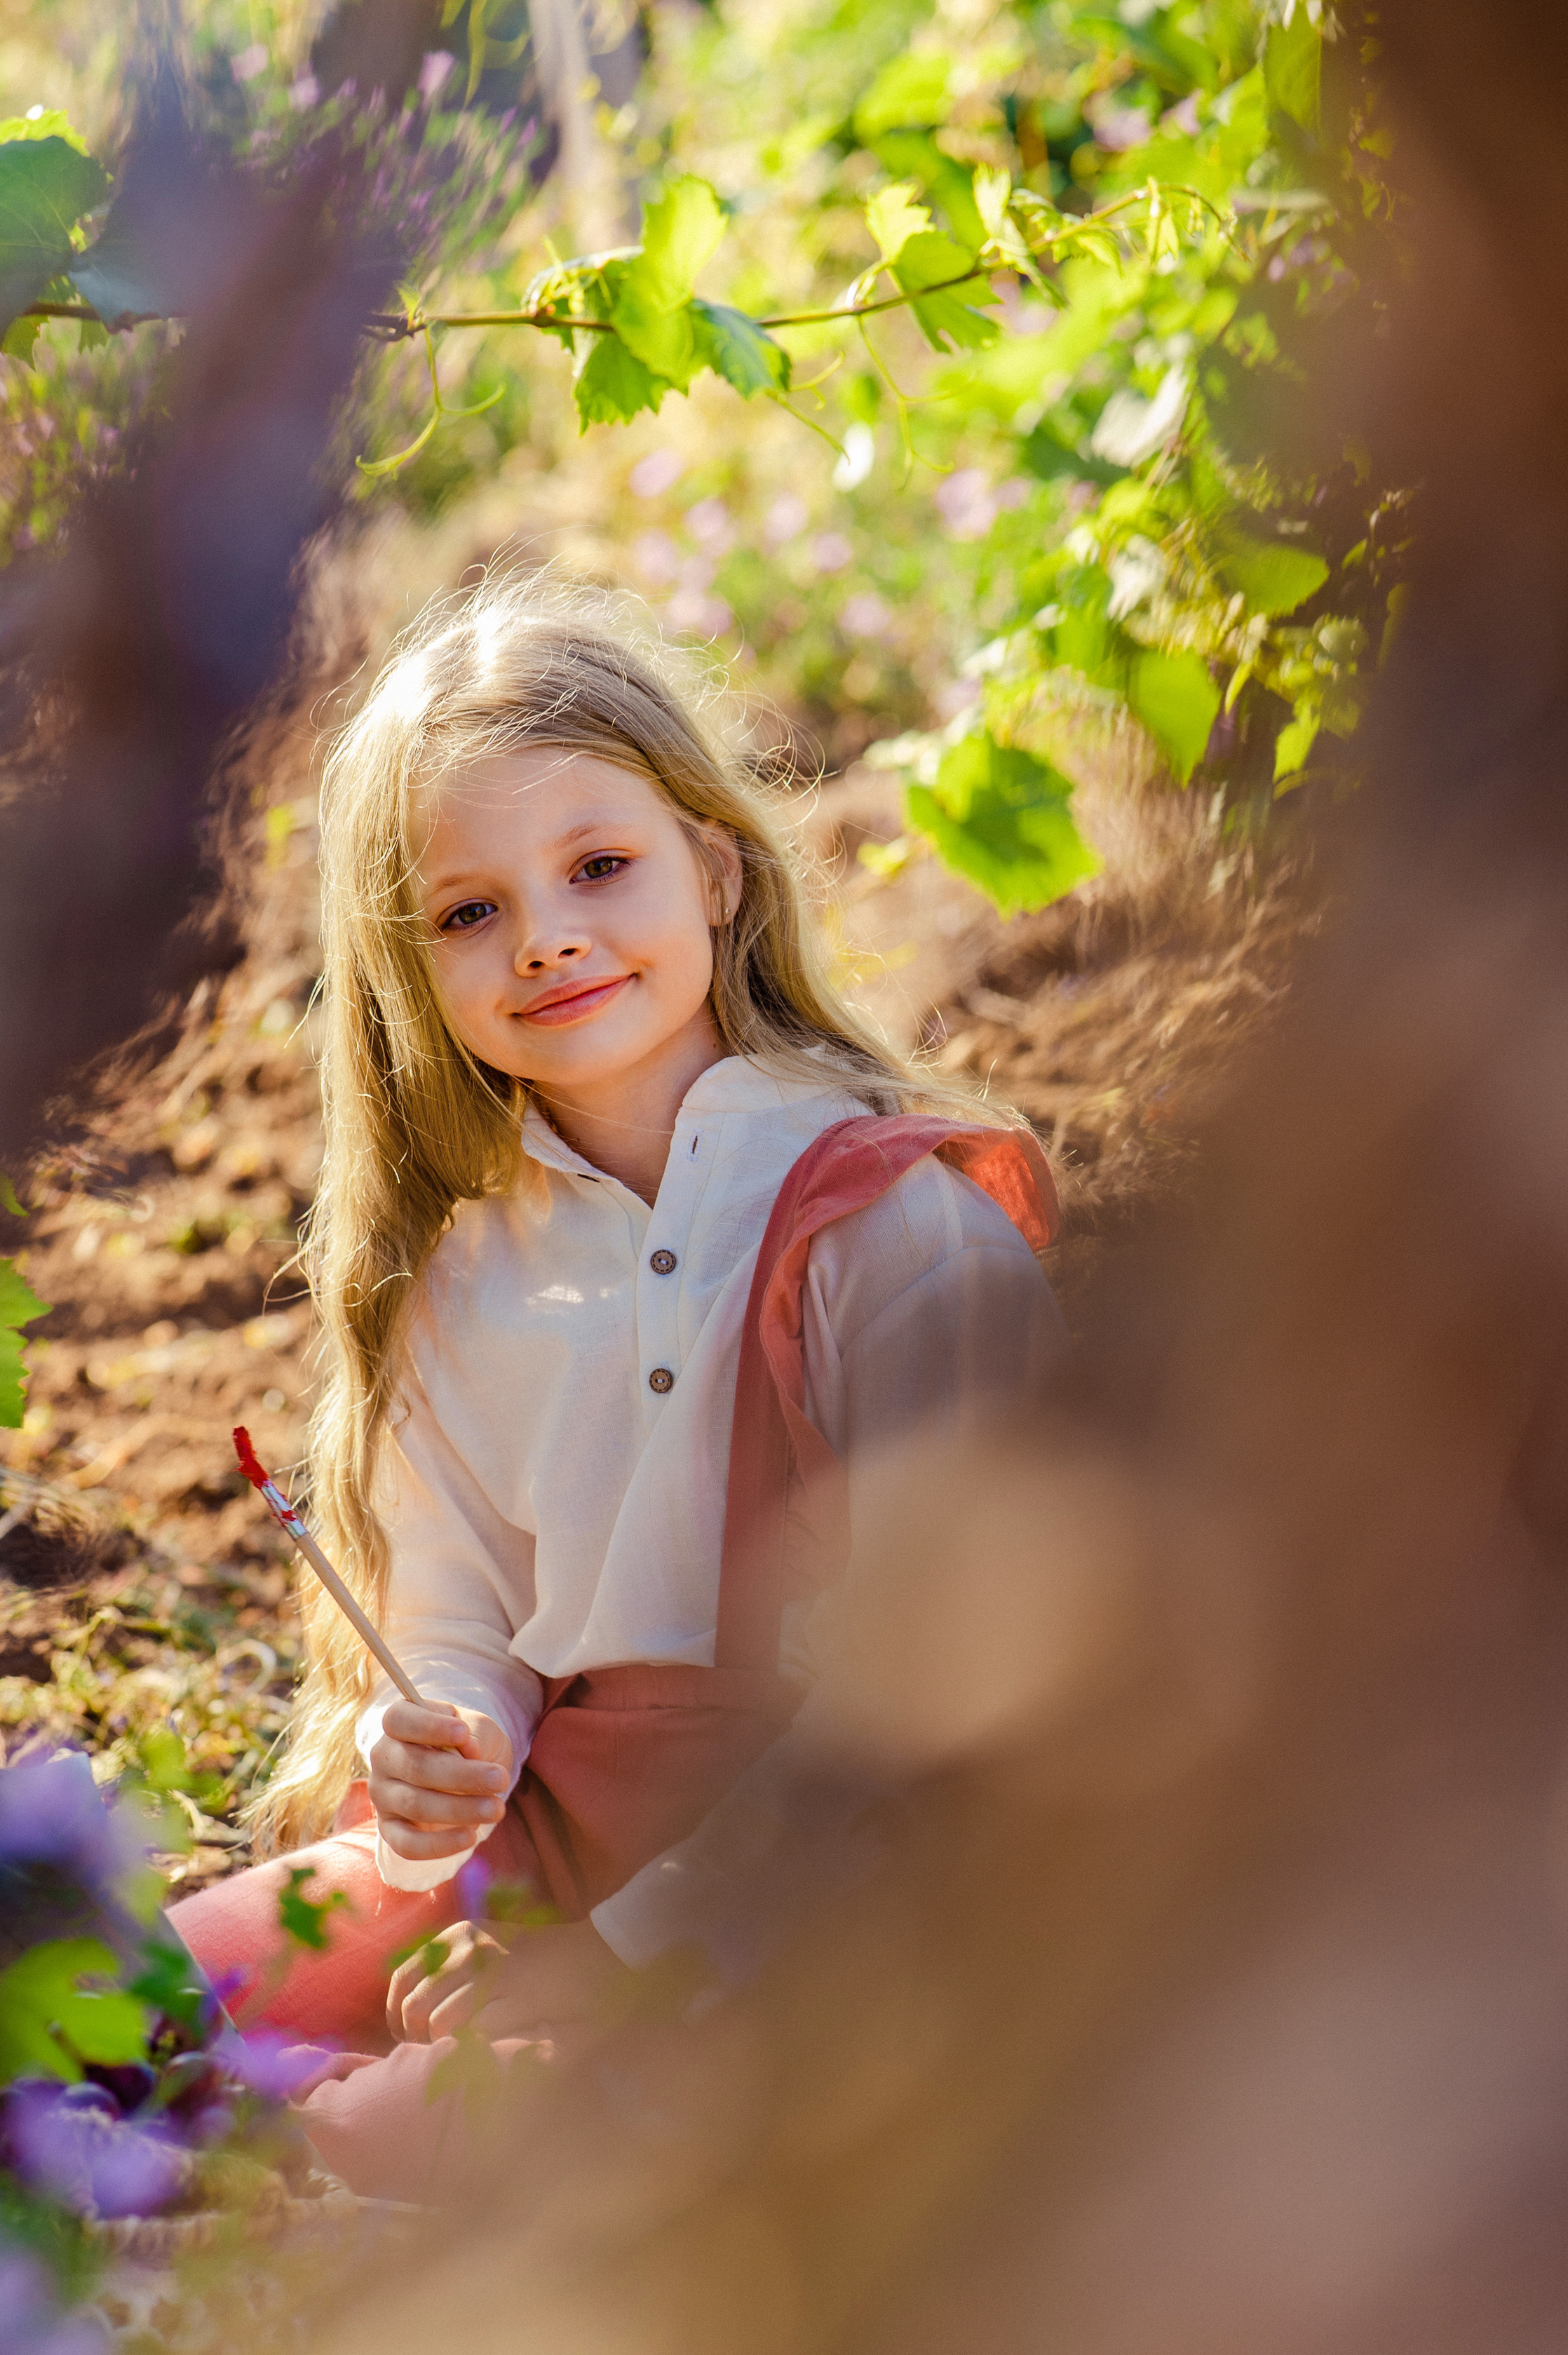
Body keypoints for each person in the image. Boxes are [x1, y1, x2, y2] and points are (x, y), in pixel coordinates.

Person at [172, 572, 1064, 2194]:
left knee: (384, 2141)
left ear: (713, 872)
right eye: (468, 912)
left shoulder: (897, 1230)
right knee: (152, 1995)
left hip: (818, 1867)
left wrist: (622, 1953)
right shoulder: (462, 1272)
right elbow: (455, 1602)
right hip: (548, 1830)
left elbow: (918, 1720)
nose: (547, 937)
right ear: (410, 967)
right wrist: (438, 1724)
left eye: (597, 866)